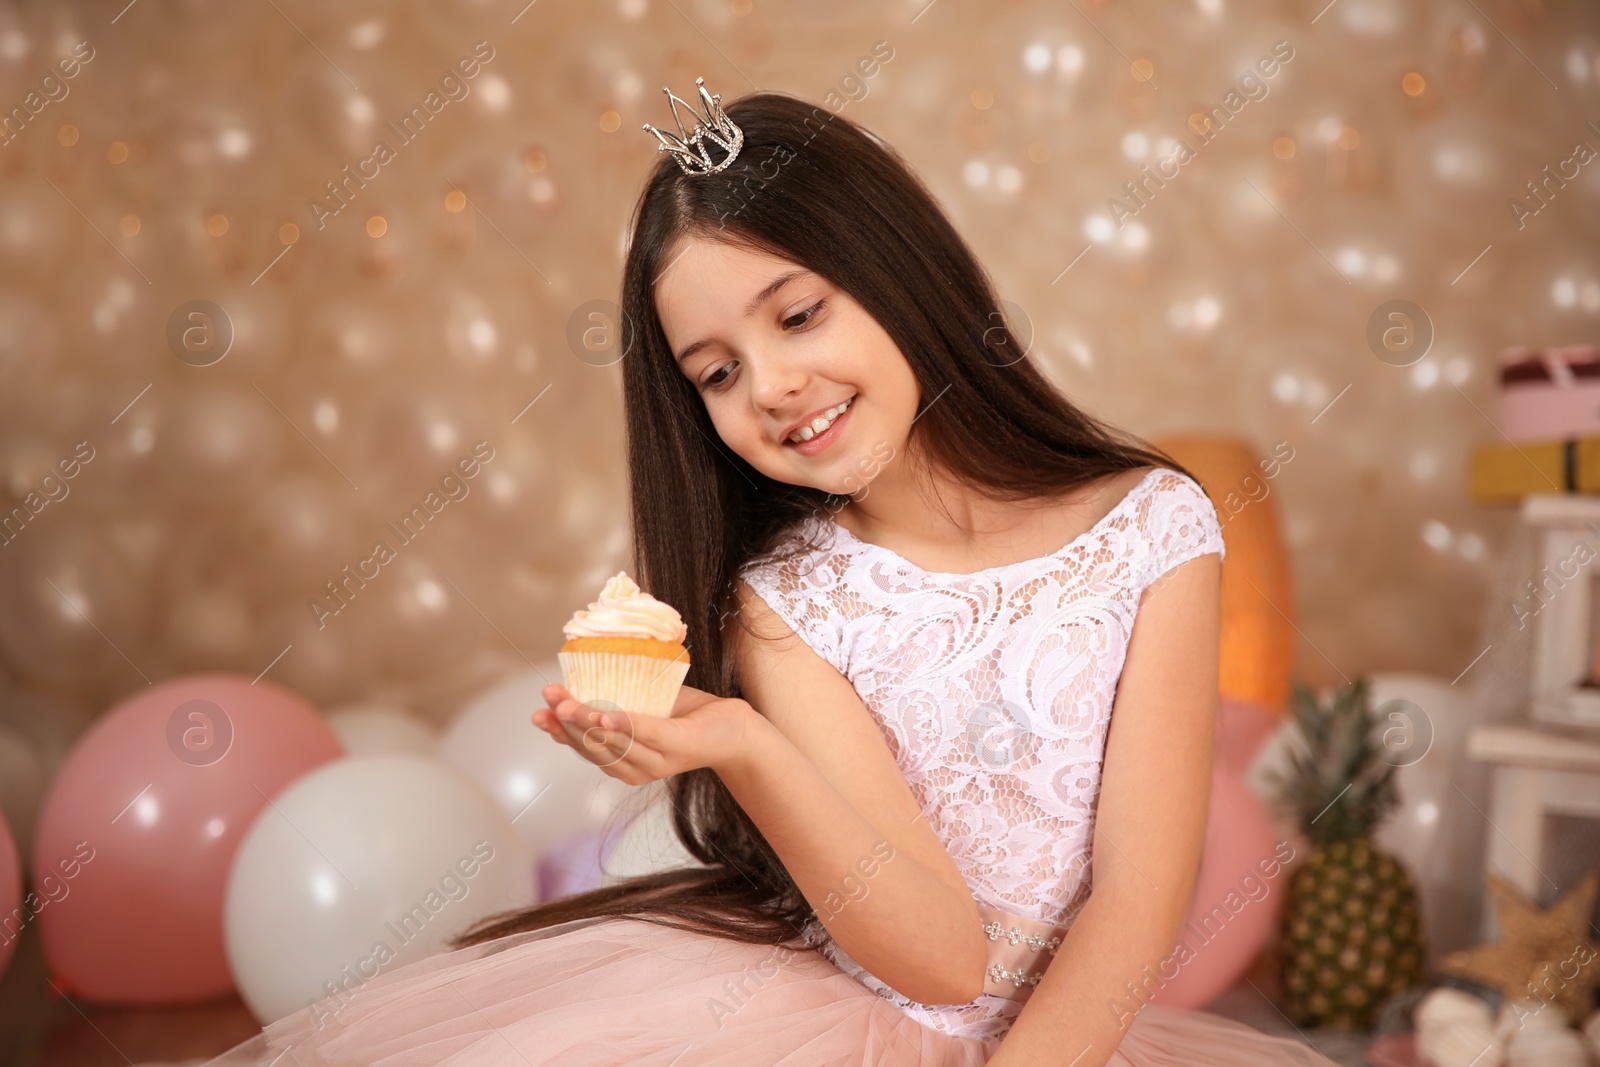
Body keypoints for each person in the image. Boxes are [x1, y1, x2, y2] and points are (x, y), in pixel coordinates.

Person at [198, 85, 1340, 1066]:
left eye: (798, 315)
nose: (776, 385)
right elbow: (940, 956)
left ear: (899, 275)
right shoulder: (788, 602)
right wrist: (745, 741)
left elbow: (1141, 893)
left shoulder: (1153, 526)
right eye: (717, 370)